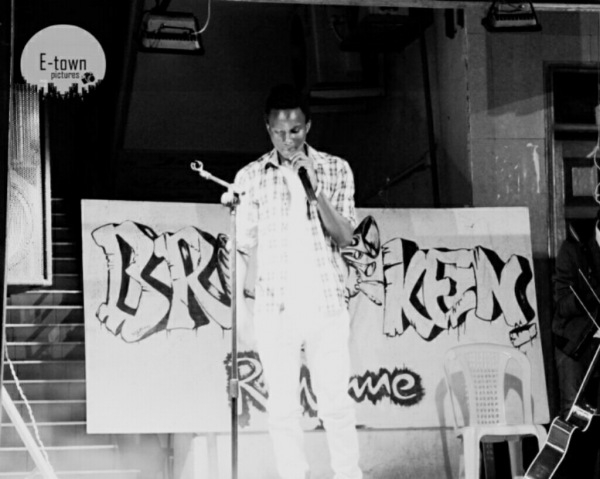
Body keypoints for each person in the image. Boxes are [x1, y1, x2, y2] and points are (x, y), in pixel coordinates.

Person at [233, 83, 363, 479]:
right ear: (267, 129)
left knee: (336, 402)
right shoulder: (250, 177)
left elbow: (345, 236)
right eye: (278, 132)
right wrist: (241, 312)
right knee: (282, 408)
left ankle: (348, 474)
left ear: (308, 127)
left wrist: (316, 189)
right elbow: (241, 249)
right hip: (276, 306)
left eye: (295, 131)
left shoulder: (336, 169)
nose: (287, 140)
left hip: (325, 303)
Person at [552, 212, 600, 478]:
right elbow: (562, 304)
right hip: (575, 345)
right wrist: (589, 289)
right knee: (573, 416)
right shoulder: (574, 248)